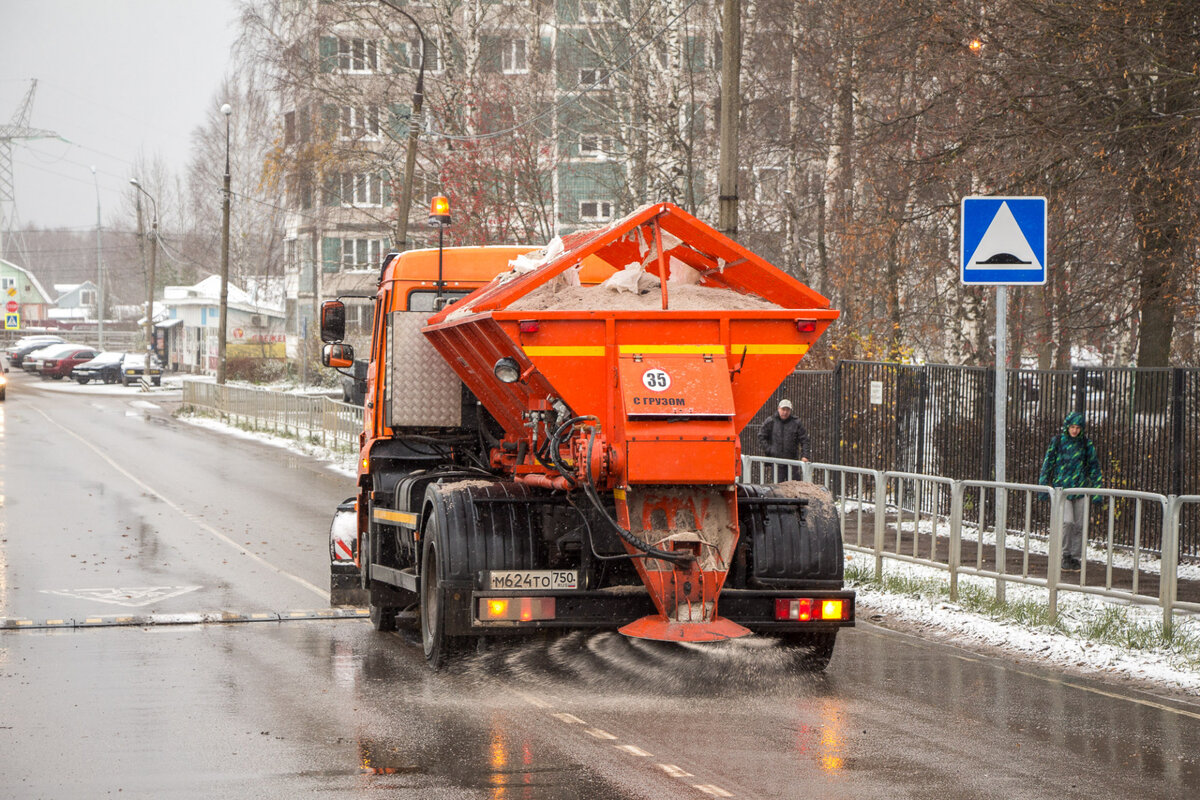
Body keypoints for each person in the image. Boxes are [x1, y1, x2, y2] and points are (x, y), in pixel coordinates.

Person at [1038, 411, 1103, 572]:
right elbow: (1048, 464)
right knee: (1067, 522)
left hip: (1080, 489)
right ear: (1067, 427)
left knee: (1080, 525)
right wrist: (1043, 486)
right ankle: (1065, 554)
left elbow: (1094, 467)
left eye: (1078, 427)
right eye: (1072, 427)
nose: (1075, 431)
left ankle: (1075, 557)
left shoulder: (1086, 445)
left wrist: (1097, 490)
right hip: (1063, 489)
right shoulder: (1058, 442)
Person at [758, 399, 811, 479]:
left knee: (794, 487)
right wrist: (770, 450)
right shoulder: (771, 421)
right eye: (783, 409)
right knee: (778, 488)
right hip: (776, 462)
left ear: (790, 411)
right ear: (778, 408)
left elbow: (804, 440)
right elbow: (761, 436)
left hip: (792, 462)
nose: (785, 412)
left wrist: (805, 456)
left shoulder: (796, 423)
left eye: (787, 410)